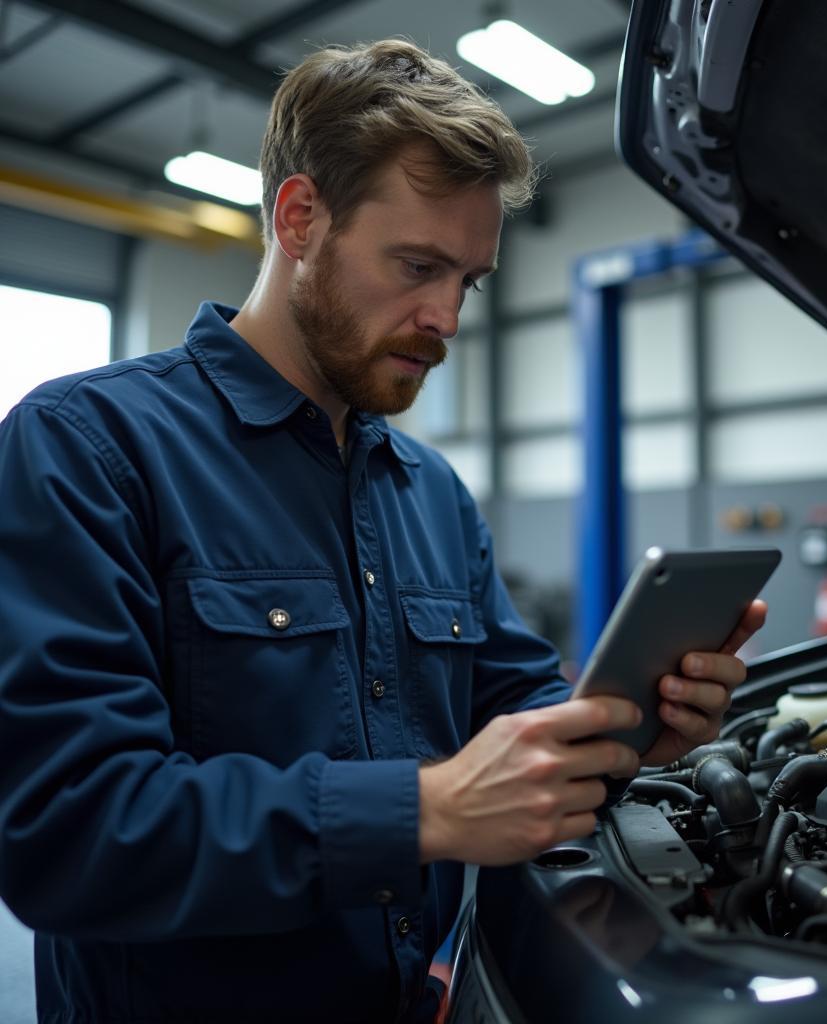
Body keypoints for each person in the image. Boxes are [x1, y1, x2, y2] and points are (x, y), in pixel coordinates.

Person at [0, 40, 766, 1023]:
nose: (444, 316)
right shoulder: (88, 448)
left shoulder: (429, 491)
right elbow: (68, 832)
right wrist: (429, 810)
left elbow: (513, 699)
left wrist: (630, 726)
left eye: (469, 282)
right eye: (417, 266)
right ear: (300, 219)